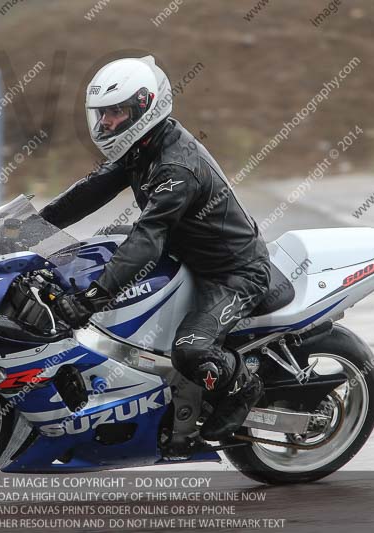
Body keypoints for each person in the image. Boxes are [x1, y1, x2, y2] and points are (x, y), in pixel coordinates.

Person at [40, 56, 271, 440]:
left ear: (144, 107)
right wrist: (32, 226)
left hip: (232, 273)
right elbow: (87, 194)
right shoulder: (140, 147)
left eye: (115, 112)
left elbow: (148, 237)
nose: (106, 123)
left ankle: (242, 387)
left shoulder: (175, 168)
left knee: (191, 352)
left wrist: (94, 297)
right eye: (102, 113)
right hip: (185, 258)